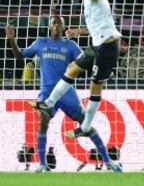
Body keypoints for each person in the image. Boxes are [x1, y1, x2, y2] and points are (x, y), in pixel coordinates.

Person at [7, 16, 121, 173]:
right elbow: (20, 56)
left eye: (60, 24)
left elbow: (85, 62)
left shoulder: (70, 45)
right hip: (47, 92)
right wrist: (12, 39)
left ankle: (108, 161)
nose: (57, 26)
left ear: (64, 27)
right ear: (49, 26)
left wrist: (104, 68)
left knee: (85, 124)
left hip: (66, 91)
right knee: (43, 120)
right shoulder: (41, 43)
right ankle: (42, 164)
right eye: (54, 23)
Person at [30, 0, 122, 139]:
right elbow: (98, 25)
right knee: (72, 68)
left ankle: (85, 127)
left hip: (106, 49)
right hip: (96, 46)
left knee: (95, 87)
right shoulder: (89, 1)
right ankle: (48, 103)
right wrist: (78, 31)